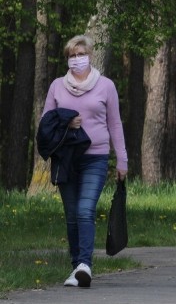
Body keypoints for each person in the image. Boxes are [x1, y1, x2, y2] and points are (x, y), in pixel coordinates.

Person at [40, 35, 128, 288]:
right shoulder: (57, 86)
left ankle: (85, 265)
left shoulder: (106, 86)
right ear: (67, 58)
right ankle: (75, 266)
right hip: (65, 158)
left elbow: (115, 123)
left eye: (81, 54)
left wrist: (122, 159)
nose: (77, 59)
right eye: (72, 55)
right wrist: (65, 121)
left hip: (96, 158)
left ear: (90, 56)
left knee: (85, 210)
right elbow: (46, 123)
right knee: (71, 215)